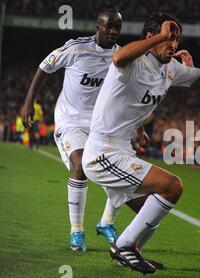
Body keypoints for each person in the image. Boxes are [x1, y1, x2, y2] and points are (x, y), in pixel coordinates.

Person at [82, 13, 200, 274]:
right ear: (151, 37)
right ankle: (123, 246)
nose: (173, 43)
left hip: (122, 149)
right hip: (103, 152)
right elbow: (118, 57)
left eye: (176, 38)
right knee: (172, 186)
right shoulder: (133, 61)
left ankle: (132, 251)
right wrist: (161, 36)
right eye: (170, 37)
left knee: (151, 213)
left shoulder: (170, 68)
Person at [20, 9, 123, 252]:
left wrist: (137, 125)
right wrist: (28, 103)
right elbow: (45, 67)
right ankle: (76, 231)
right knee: (79, 165)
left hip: (101, 122)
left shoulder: (120, 55)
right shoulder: (76, 48)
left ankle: (106, 222)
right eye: (109, 26)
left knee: (120, 168)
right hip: (71, 119)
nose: (114, 31)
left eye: (117, 27)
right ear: (98, 26)